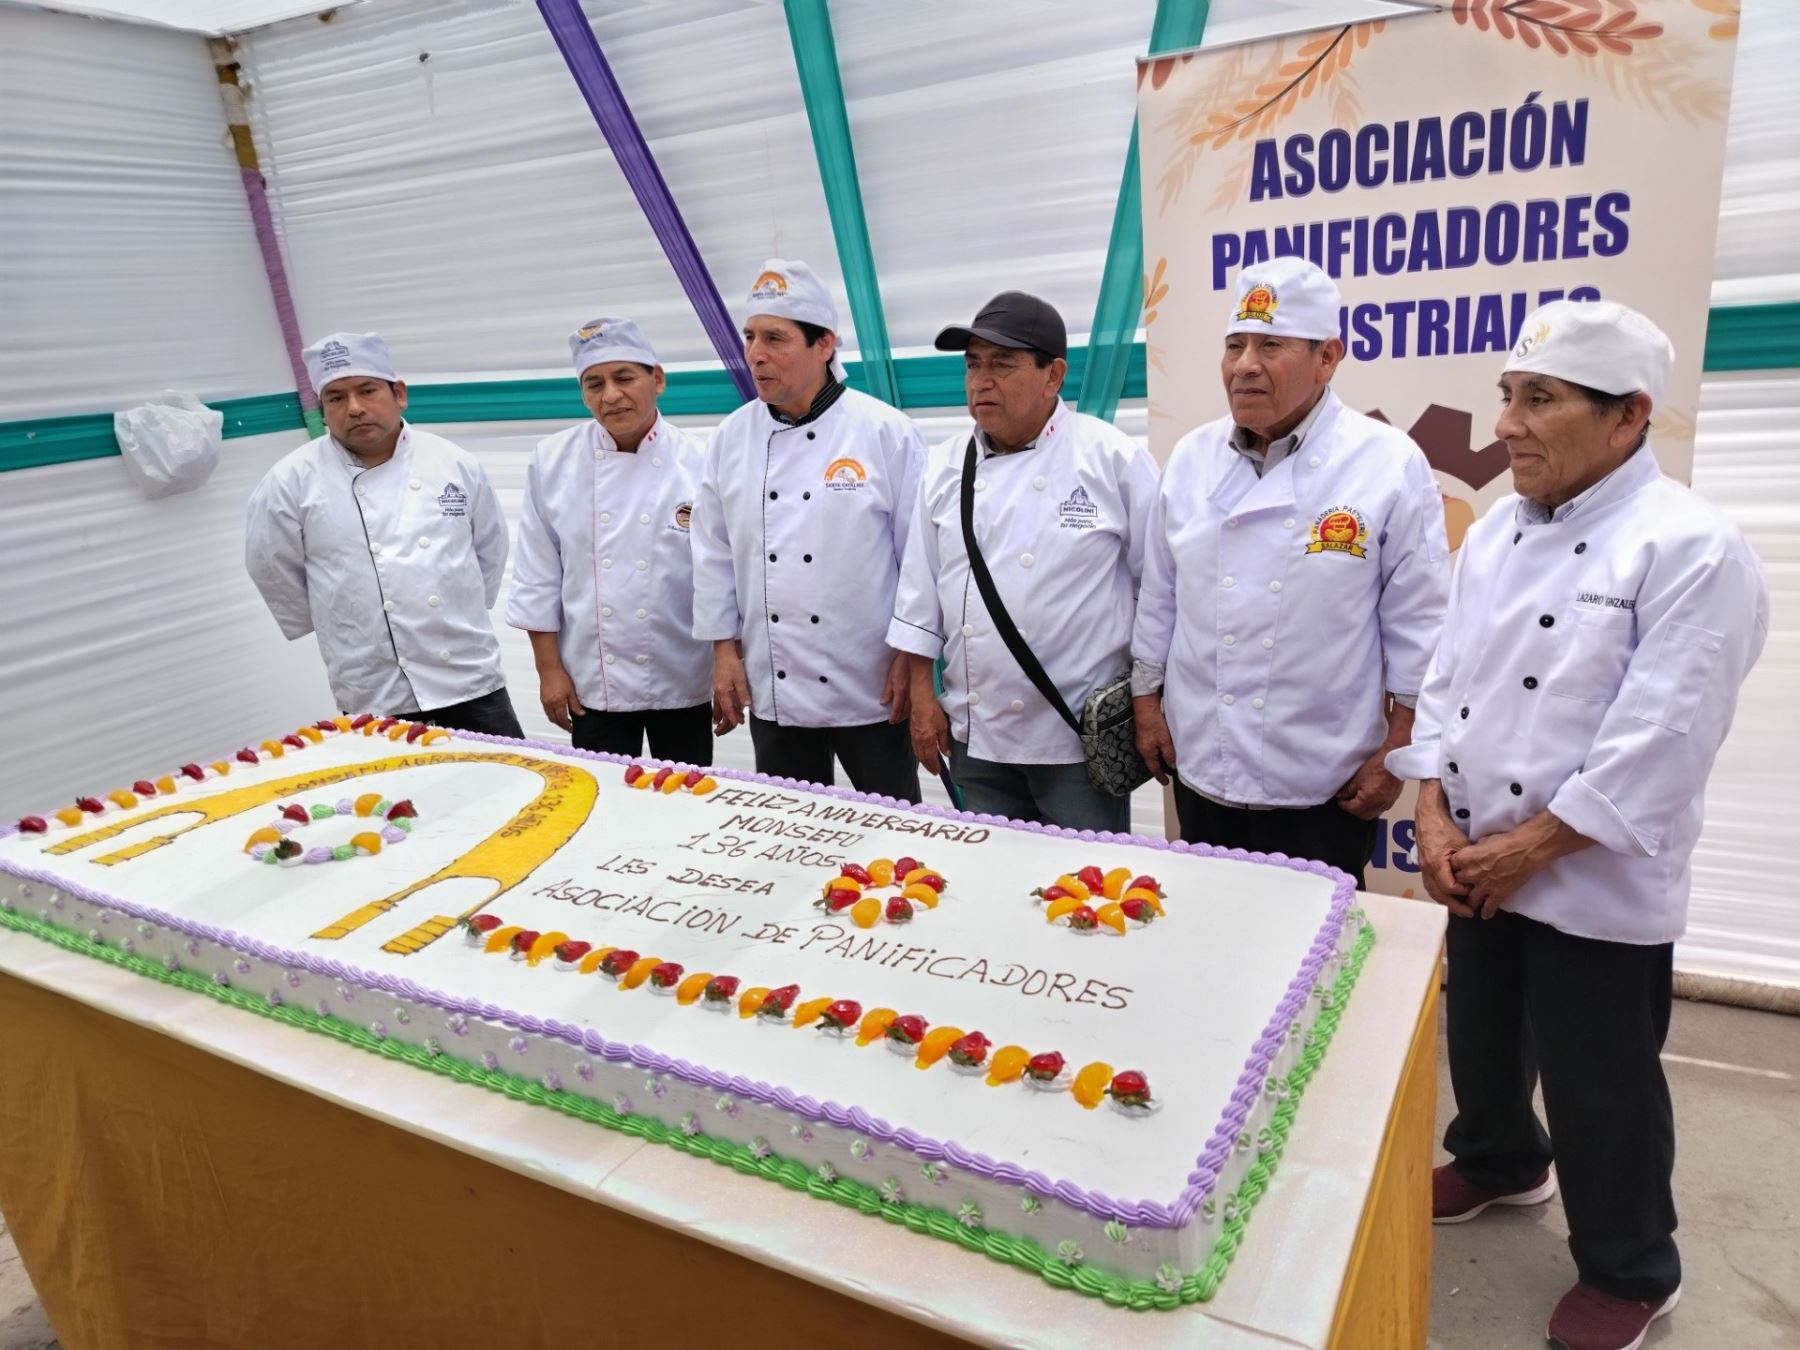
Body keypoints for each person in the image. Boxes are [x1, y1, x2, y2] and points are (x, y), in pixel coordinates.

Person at [1387, 300, 1767, 1350]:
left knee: (1603, 1081)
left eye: (1539, 399)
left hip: (1594, 876)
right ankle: (1504, 1161)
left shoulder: (1691, 547)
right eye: (1508, 395)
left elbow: (1662, 738)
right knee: (1485, 1037)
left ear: (1628, 417)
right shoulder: (1498, 532)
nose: (1507, 422)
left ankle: (1634, 1266)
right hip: (1478, 858)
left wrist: (1525, 849)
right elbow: (1447, 680)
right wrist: (1430, 810)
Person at [1131, 256, 1448, 887]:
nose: (1244, 364)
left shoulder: (1386, 463)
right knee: (1213, 927)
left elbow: (1420, 622)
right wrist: (1145, 701)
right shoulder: (1192, 457)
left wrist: (1398, 750)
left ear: (1328, 357)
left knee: (1312, 959)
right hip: (1202, 763)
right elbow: (1160, 594)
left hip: (1324, 778)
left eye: (1270, 345)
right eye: (1234, 345)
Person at [889, 292, 1158, 832]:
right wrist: (923, 698)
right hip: (979, 731)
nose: (980, 380)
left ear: (1053, 375)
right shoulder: (943, 466)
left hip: (1077, 736)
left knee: (1089, 891)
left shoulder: (1111, 459)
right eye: (973, 364)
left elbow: (1159, 590)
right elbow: (920, 592)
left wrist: (1150, 702)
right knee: (995, 883)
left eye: (1002, 364)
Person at [690, 259, 925, 800]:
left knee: (893, 828)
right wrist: (724, 653)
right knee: (787, 829)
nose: (756, 353)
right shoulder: (730, 438)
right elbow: (713, 555)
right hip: (778, 684)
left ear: (825, 346)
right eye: (750, 337)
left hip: (872, 682)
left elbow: (921, 560)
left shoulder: (886, 432)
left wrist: (913, 663)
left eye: (776, 338)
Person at [245, 332, 523, 737]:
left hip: (469, 678)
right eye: (336, 398)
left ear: (399, 394)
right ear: (322, 410)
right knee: (391, 800)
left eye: (367, 390)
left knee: (513, 789)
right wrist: (342, 617)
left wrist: (453, 606)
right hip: (371, 687)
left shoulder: (453, 464)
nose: (354, 408)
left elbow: (490, 552)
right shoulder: (289, 481)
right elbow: (270, 567)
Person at [506, 318, 712, 764]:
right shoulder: (552, 460)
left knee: (686, 800)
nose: (610, 395)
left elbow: (727, 576)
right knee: (603, 801)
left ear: (657, 379)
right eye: (594, 383)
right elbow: (538, 574)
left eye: (624, 378)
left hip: (684, 673)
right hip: (592, 681)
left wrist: (730, 664)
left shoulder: (703, 459)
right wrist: (549, 671)